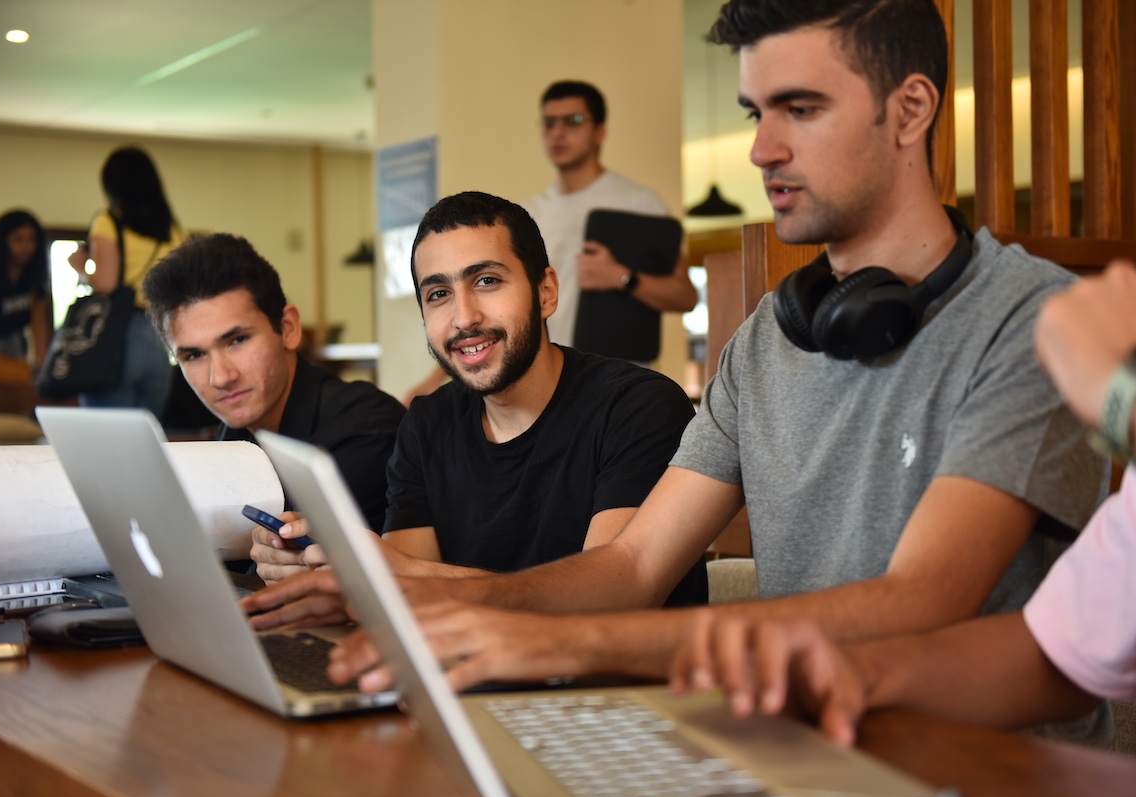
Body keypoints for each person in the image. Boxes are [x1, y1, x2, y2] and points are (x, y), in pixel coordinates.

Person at [257, 0, 1109, 742]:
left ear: (911, 108)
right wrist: (402, 595)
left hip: (983, 765)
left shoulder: (1036, 322)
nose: (762, 150)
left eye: (800, 109)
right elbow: (629, 570)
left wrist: (553, 642)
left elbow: (920, 602)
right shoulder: (765, 345)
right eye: (753, 114)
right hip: (803, 749)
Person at [663, 264, 1136, 746]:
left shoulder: (1022, 313)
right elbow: (1064, 654)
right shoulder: (760, 339)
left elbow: (929, 597)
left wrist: (1126, 394)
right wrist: (846, 677)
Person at [248, 191, 707, 604]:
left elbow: (609, 601)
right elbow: (410, 599)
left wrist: (397, 573)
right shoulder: (427, 425)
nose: (463, 317)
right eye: (439, 294)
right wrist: (318, 573)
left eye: (486, 281)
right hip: (473, 684)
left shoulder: (638, 409)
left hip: (619, 693)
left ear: (546, 292)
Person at [402, 80, 699, 403]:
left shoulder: (639, 202)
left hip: (615, 381)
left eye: (572, 122)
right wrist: (434, 381)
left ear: (600, 131)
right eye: (549, 123)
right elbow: (486, 314)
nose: (558, 133)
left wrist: (620, 277)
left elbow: (685, 295)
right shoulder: (529, 214)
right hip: (548, 385)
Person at [141, 233, 406, 564]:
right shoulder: (238, 431)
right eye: (194, 355)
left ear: (289, 328)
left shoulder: (365, 430)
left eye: (237, 340)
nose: (220, 377)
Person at [67, 146, 186, 417]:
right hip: (159, 339)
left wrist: (80, 268)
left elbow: (106, 283)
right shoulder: (172, 228)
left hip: (117, 337)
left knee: (107, 438)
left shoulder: (108, 221)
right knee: (146, 436)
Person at [0, 209, 51, 384]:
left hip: (12, 341)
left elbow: (38, 322)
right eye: (18, 239)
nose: (26, 246)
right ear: (3, 241)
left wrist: (44, 365)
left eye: (31, 239)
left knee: (17, 391)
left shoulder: (34, 278)